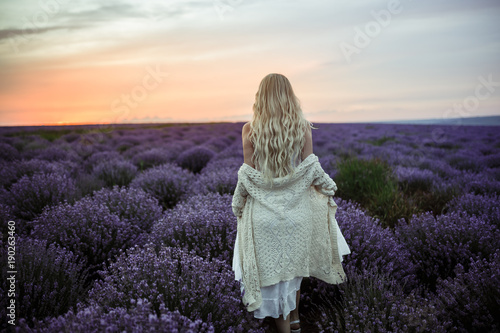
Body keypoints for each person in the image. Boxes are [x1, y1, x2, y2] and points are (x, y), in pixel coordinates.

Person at [231, 73, 350, 333]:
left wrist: (238, 204)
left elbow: (247, 175)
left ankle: (287, 329)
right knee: (293, 274)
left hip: (263, 215)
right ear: (289, 95)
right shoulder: (302, 126)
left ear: (260, 96)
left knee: (274, 282)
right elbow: (311, 169)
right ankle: (295, 323)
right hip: (298, 213)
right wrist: (328, 188)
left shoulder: (249, 129)